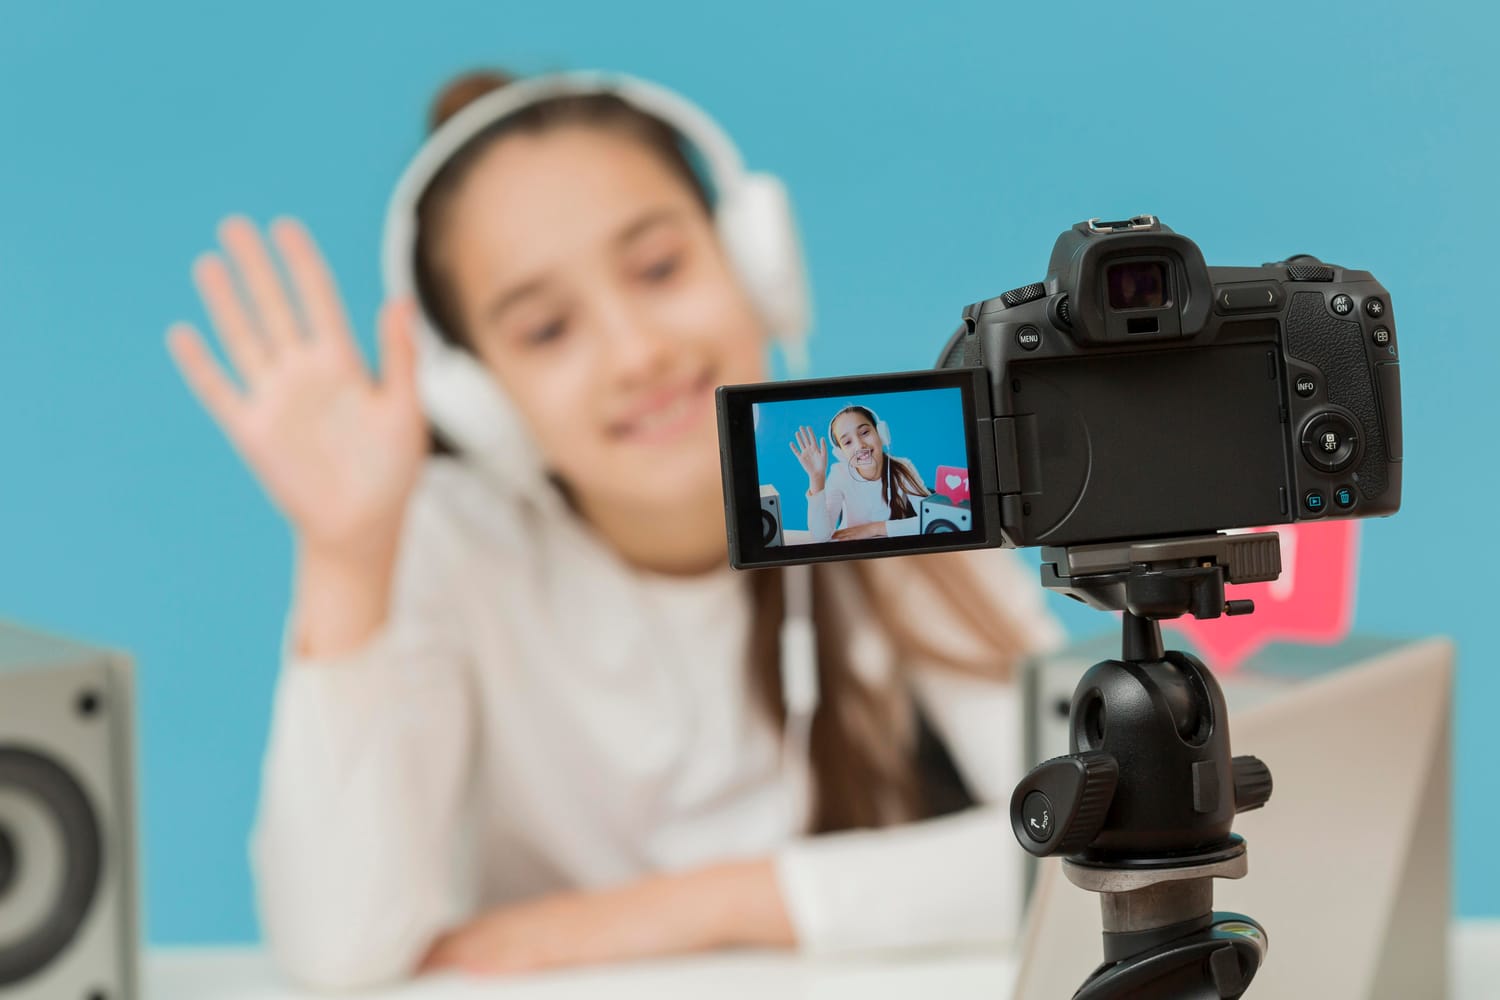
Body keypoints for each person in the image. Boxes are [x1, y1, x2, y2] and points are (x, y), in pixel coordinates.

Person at [165, 67, 1062, 991]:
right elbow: (339, 949)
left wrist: (690, 908)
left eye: (661, 268)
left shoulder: (882, 477)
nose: (637, 352)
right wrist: (347, 560)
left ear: (756, 265)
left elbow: (1106, 833)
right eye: (547, 329)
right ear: (478, 401)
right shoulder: (451, 544)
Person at [794, 404, 933, 542]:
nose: (860, 445)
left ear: (881, 434)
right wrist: (816, 479)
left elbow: (932, 518)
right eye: (848, 442)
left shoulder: (903, 467)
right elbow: (820, 536)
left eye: (865, 433)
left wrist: (873, 529)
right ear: (841, 454)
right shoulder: (839, 474)